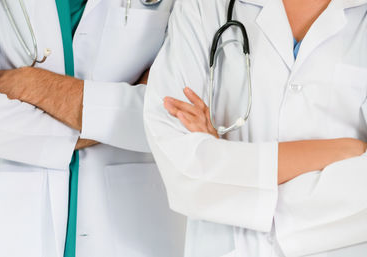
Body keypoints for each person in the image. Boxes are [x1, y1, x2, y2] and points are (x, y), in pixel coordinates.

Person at [0, 0, 186, 255]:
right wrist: (117, 116)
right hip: (2, 225)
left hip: (133, 225)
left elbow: (180, 113)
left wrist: (34, 85)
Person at [145, 0, 367, 255]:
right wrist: (339, 152)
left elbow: (198, 175)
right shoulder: (204, 6)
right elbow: (180, 167)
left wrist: (220, 174)